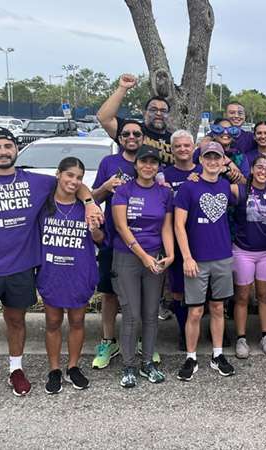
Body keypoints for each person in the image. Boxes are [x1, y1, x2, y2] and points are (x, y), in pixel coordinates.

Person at [0, 126, 101, 410]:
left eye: (8, 146)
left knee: (16, 321)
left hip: (22, 268)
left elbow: (74, 183)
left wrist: (89, 203)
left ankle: (16, 370)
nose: (3, 151)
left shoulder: (35, 182)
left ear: (16, 148)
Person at [112, 146, 174, 388]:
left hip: (155, 256)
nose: (148, 166)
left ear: (158, 167)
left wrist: (170, 254)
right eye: (144, 162)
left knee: (150, 315)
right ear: (136, 165)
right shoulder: (124, 190)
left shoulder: (164, 193)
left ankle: (147, 362)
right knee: (132, 315)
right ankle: (128, 366)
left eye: (153, 163)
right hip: (128, 257)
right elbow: (121, 227)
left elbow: (166, 227)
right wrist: (143, 255)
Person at [174, 142, 237, 380]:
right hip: (196, 259)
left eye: (217, 158)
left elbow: (246, 188)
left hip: (222, 256)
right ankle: (191, 357)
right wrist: (187, 257)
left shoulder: (225, 186)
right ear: (201, 160)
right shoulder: (189, 188)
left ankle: (217, 354)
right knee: (195, 311)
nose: (212, 161)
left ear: (222, 162)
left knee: (219, 307)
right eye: (208, 157)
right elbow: (179, 224)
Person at [39, 157, 101, 394]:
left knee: (77, 321)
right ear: (58, 174)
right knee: (53, 322)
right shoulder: (43, 204)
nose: (74, 181)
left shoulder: (87, 206)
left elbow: (100, 240)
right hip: (51, 272)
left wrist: (94, 227)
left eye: (78, 177)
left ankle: (73, 366)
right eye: (69, 175)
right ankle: (54, 369)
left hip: (79, 271)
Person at [90, 119, 148, 369]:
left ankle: (138, 341)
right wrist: (104, 186)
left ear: (143, 138)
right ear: (120, 138)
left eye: (137, 133)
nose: (132, 137)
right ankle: (108, 340)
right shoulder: (109, 163)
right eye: (126, 134)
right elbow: (91, 199)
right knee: (110, 293)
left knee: (143, 294)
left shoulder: (150, 161)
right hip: (113, 239)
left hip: (146, 241)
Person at [232, 156, 266, 358]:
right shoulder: (240, 189)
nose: (263, 171)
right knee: (242, 296)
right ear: (251, 169)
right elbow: (213, 186)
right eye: (259, 167)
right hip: (243, 250)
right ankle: (241, 338)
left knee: (264, 296)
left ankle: (265, 336)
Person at [162, 130, 202, 349]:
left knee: (206, 287)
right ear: (172, 149)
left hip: (202, 238)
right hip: (176, 240)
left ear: (194, 147)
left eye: (187, 145)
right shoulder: (164, 176)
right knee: (178, 289)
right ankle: (183, 329)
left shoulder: (204, 170)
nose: (183, 149)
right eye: (178, 146)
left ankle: (202, 329)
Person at [97, 73, 173, 164]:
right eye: (153, 109)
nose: (158, 113)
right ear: (145, 113)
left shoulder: (175, 140)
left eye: (163, 111)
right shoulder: (133, 132)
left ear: (169, 115)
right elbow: (104, 118)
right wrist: (123, 88)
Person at [206, 117, 249, 184]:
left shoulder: (240, 157)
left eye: (230, 130)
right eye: (220, 129)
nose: (225, 132)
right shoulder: (204, 153)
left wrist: (227, 171)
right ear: (214, 134)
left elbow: (246, 183)